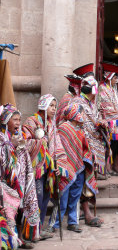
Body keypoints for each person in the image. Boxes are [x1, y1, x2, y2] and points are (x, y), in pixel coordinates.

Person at [22, 95, 68, 238]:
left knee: (45, 198)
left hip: (48, 169)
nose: (54, 109)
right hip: (35, 169)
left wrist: (57, 165)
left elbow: (57, 145)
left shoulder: (51, 125)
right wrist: (40, 143)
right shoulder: (31, 121)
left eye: (55, 106)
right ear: (43, 105)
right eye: (51, 106)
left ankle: (39, 229)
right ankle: (29, 232)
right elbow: (24, 143)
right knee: (35, 197)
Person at [50, 103, 97, 233]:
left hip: (79, 166)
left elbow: (84, 147)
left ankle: (73, 221)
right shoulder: (63, 128)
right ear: (74, 114)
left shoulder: (80, 129)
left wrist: (88, 158)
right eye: (80, 113)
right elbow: (59, 148)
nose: (82, 116)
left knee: (75, 197)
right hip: (65, 168)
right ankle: (55, 223)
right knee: (63, 196)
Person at [0, 104, 40, 248]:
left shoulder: (19, 136)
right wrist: (10, 144)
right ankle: (11, 240)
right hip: (5, 183)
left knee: (21, 210)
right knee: (9, 212)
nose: (18, 123)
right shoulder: (1, 137)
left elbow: (25, 157)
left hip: (20, 180)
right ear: (5, 120)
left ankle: (20, 238)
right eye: (14, 119)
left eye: (19, 119)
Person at [69, 73, 104, 227]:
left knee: (88, 178)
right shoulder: (78, 102)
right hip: (81, 147)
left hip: (93, 145)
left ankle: (84, 211)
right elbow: (75, 124)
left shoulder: (91, 103)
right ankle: (85, 212)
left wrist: (101, 124)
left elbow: (94, 121)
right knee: (83, 179)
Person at [97, 62, 118, 176]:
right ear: (109, 77)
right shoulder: (102, 88)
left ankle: (112, 167)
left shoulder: (113, 89)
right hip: (108, 123)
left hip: (116, 124)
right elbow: (105, 106)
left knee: (115, 146)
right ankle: (106, 168)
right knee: (107, 146)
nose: (116, 80)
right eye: (115, 78)